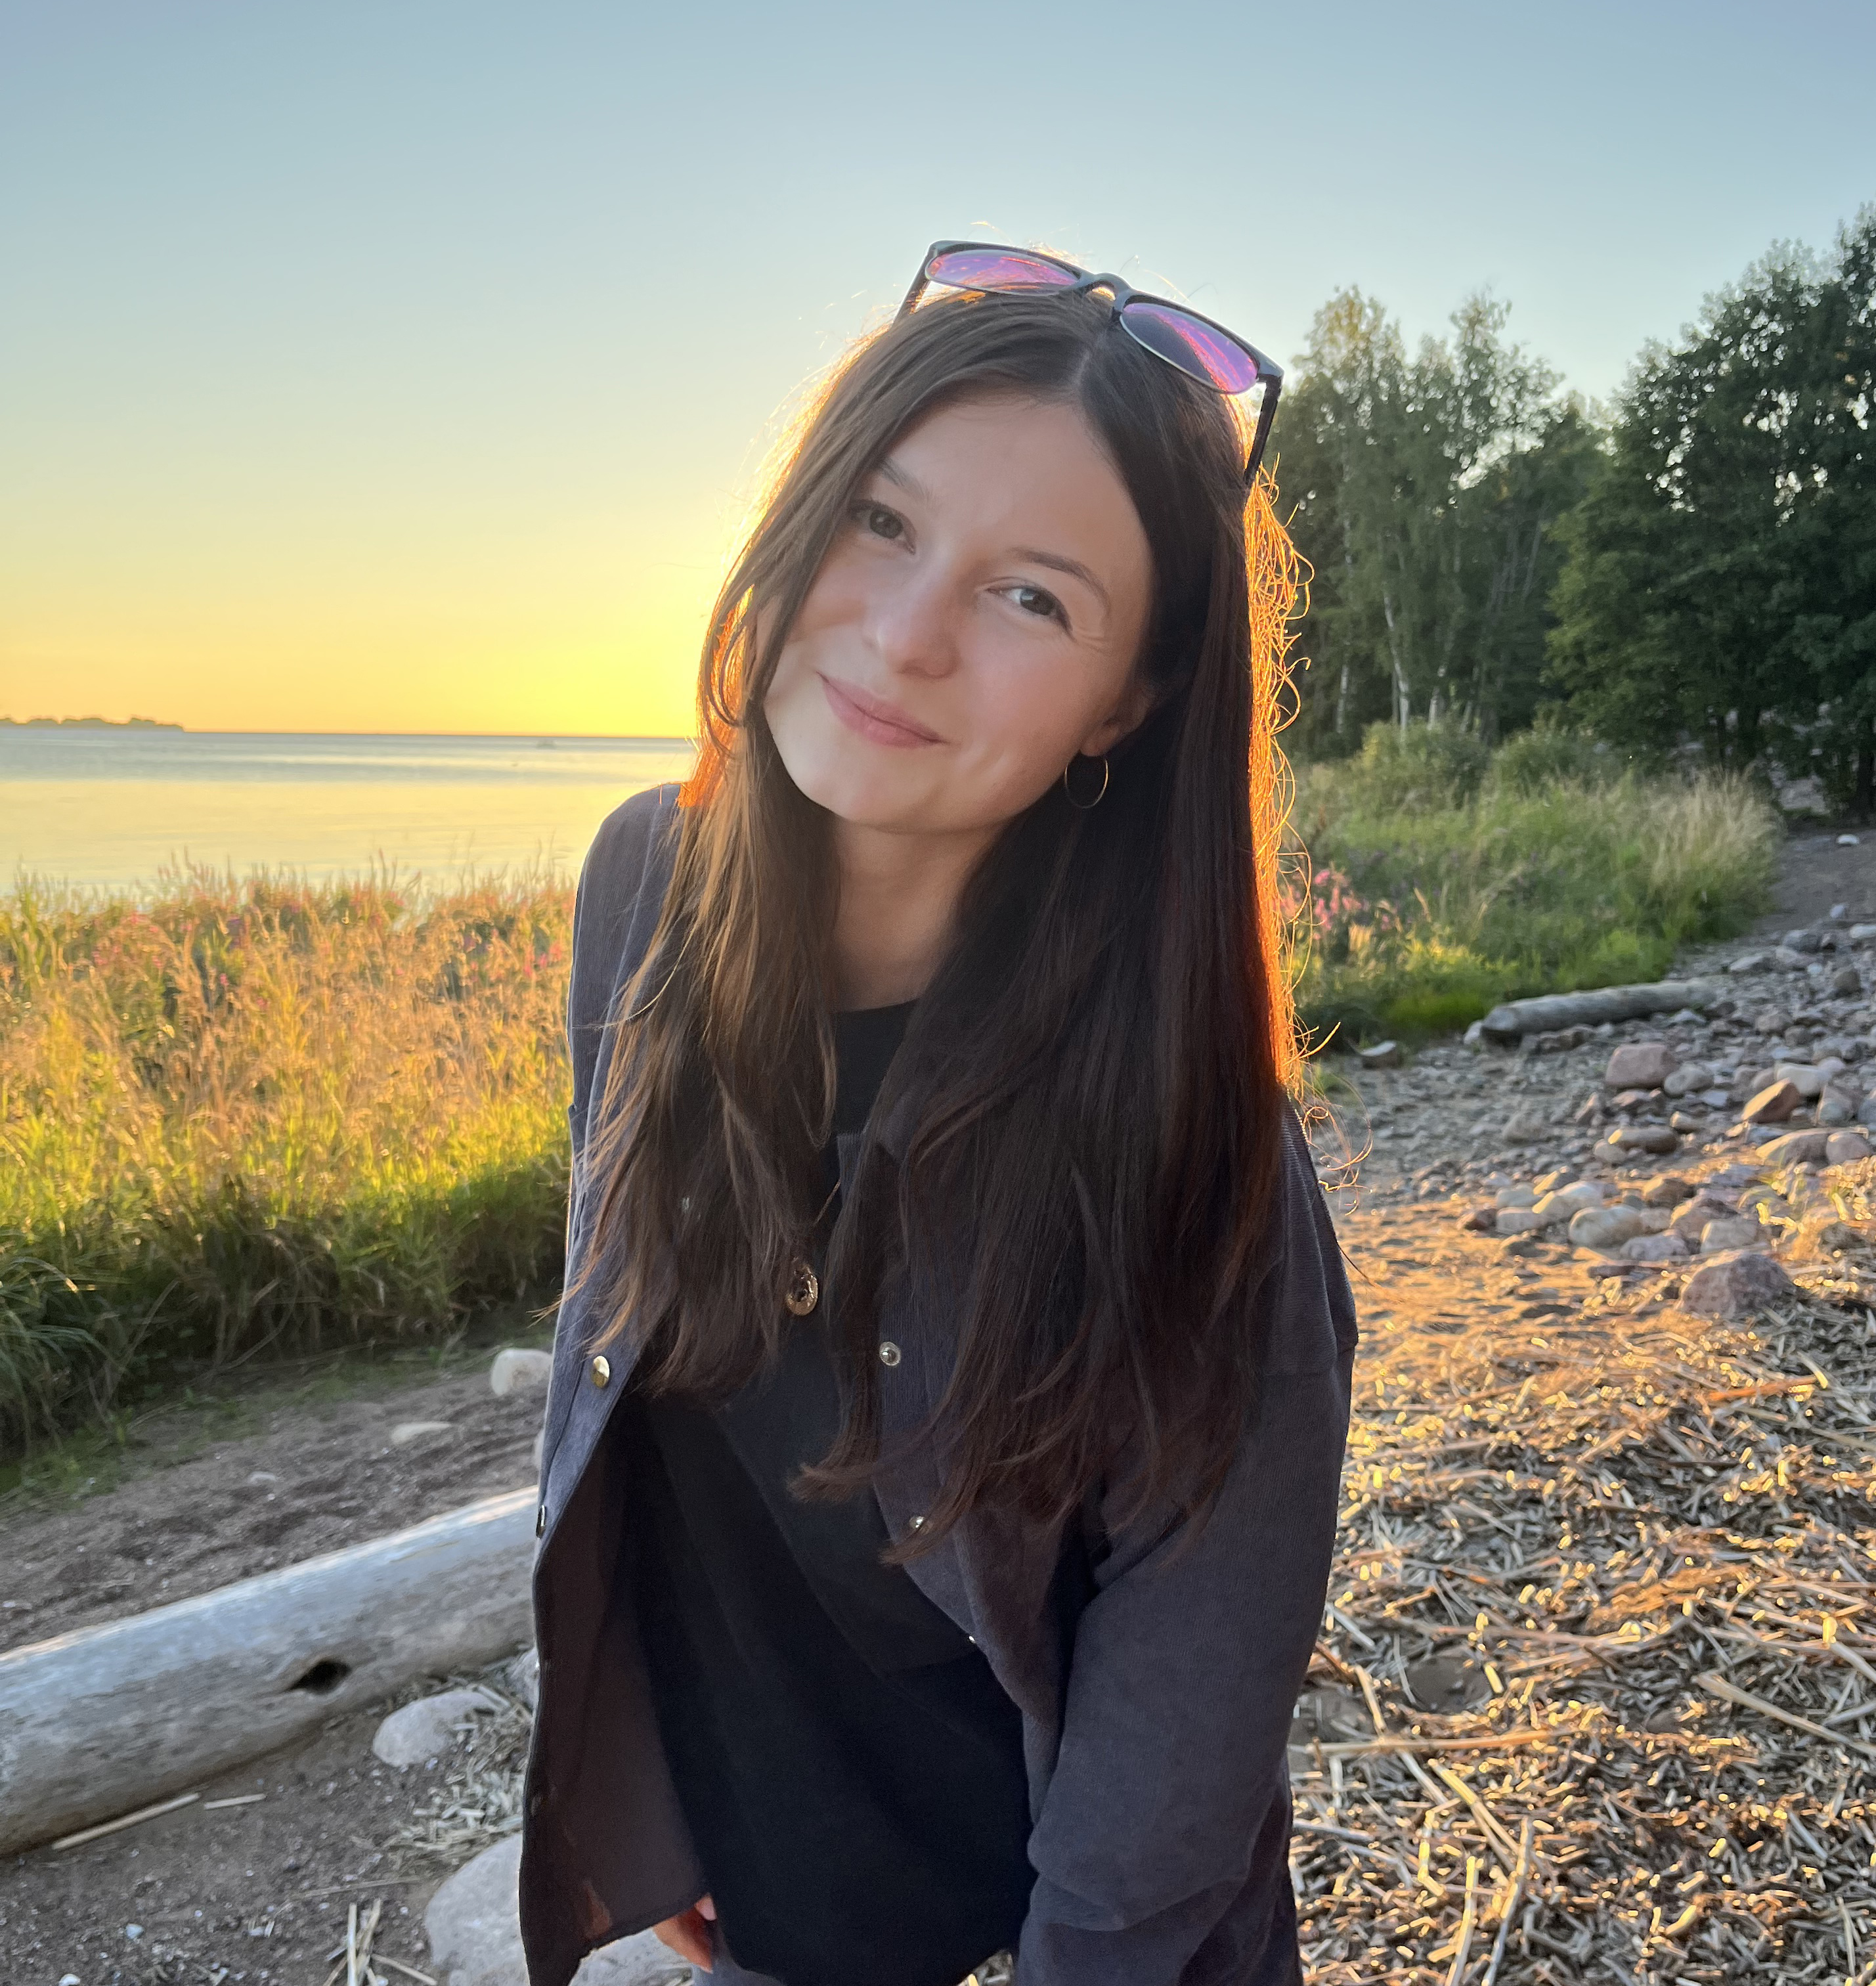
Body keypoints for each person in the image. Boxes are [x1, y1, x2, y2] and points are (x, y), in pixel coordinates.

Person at [519, 242, 1357, 1986]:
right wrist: (651, 1777)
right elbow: (617, 1347)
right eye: (880, 522)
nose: (904, 636)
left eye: (1031, 598)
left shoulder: (1192, 1129)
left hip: (1084, 1909)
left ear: (1130, 701)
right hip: (781, 1870)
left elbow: (1195, 1679)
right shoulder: (640, 889)